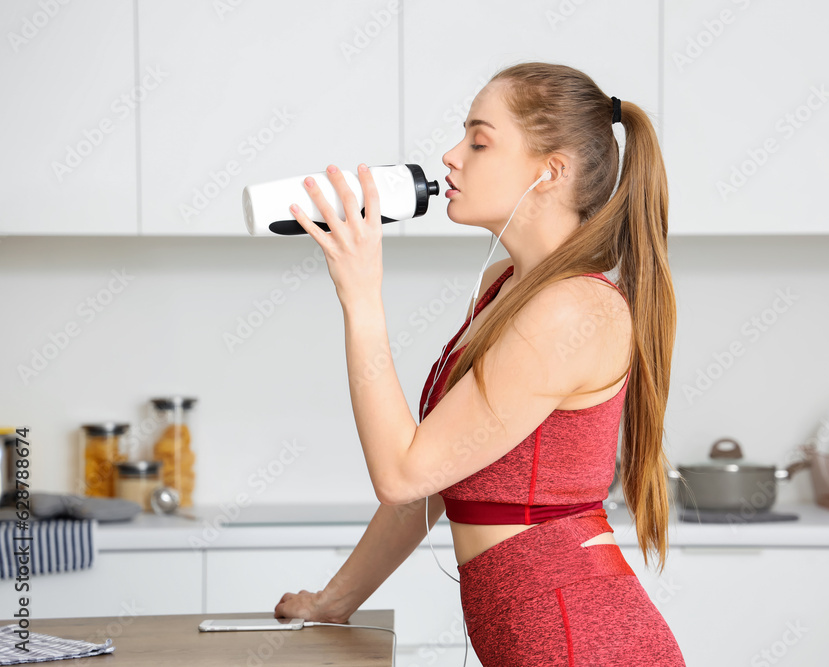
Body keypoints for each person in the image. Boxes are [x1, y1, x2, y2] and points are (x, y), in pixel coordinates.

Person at [274, 61, 686, 665]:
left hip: (582, 646)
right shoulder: (507, 287)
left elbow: (402, 473)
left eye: (479, 140)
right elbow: (431, 480)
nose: (450, 156)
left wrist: (361, 296)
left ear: (551, 171)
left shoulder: (571, 310)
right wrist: (334, 601)